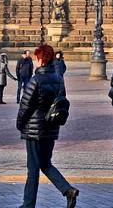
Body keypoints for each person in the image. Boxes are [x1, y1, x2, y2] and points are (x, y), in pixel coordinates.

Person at [16, 44, 79, 208]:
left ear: (41, 59)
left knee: (33, 169)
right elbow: (61, 102)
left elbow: (25, 107)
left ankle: (28, 204)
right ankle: (68, 190)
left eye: (37, 58)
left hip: (34, 130)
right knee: (45, 164)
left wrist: (20, 125)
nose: (35, 61)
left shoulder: (35, 80)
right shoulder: (58, 79)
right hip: (51, 129)